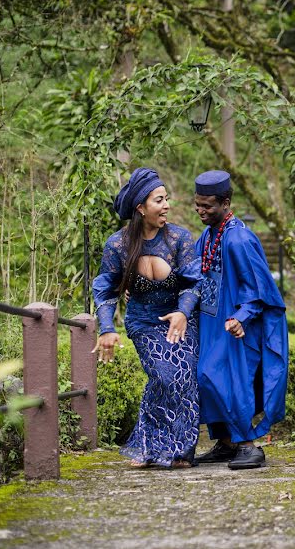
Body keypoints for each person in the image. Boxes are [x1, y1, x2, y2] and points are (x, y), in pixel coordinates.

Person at [92, 168, 202, 469]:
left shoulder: (179, 238)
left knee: (183, 376)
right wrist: (106, 327)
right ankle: (150, 445)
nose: (166, 205)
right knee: (162, 375)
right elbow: (104, 287)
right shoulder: (118, 244)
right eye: (159, 200)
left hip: (180, 319)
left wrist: (183, 312)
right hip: (143, 322)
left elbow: (194, 282)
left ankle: (178, 450)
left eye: (166, 199)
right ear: (141, 207)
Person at [192, 170, 289, 469]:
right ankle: (225, 443)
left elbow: (258, 289)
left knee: (226, 380)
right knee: (205, 378)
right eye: (197, 204)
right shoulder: (207, 236)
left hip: (236, 327)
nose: (200, 210)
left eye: (207, 205)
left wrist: (241, 318)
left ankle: (249, 445)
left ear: (225, 202)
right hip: (210, 323)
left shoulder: (240, 239)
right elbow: (195, 275)